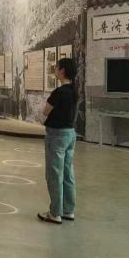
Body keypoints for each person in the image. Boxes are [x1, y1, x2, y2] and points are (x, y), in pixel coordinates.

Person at [39, 57, 79, 225]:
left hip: (56, 135)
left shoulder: (59, 92)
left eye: (56, 67)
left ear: (62, 71)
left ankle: (55, 212)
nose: (54, 70)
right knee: (68, 173)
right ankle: (68, 210)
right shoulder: (74, 91)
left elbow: (46, 111)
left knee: (54, 173)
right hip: (70, 134)